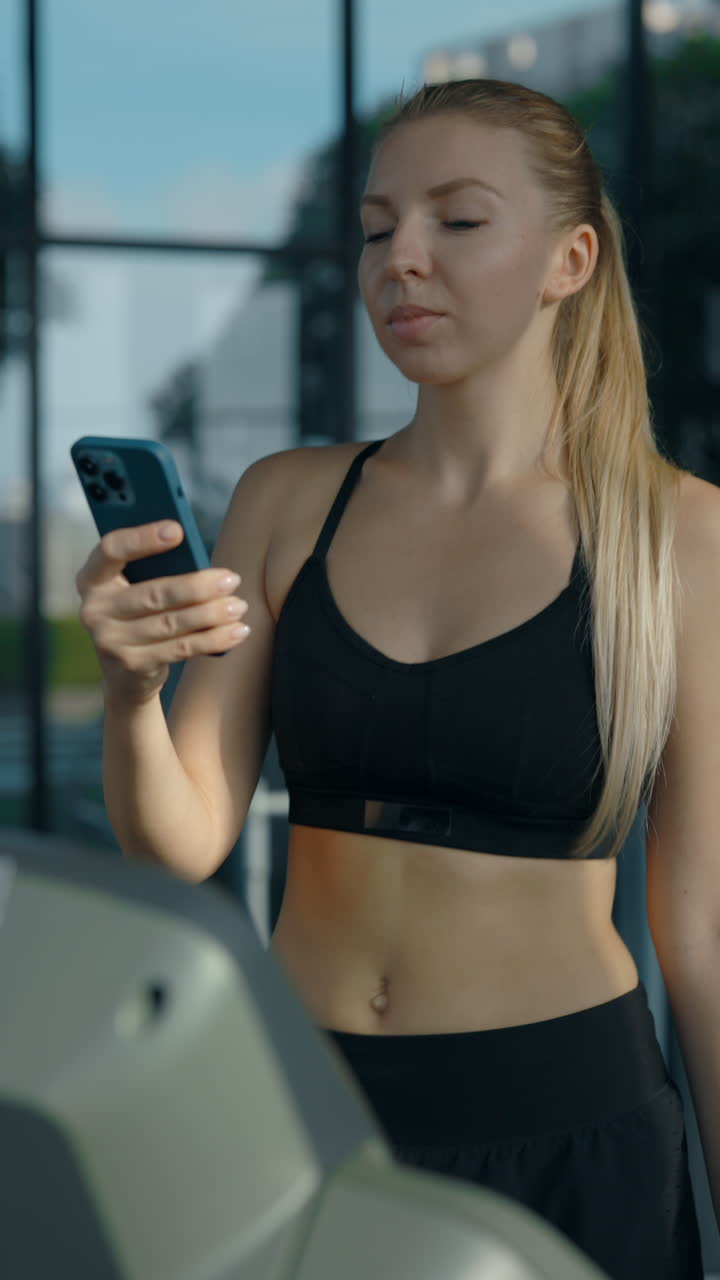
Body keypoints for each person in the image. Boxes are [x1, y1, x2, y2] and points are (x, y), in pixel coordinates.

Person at [74, 78, 720, 1279]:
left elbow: (703, 929)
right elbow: (181, 840)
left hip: (568, 1127)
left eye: (456, 221)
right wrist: (129, 693)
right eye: (377, 228)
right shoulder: (288, 499)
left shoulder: (677, 536)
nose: (401, 259)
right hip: (299, 1109)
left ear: (569, 258)